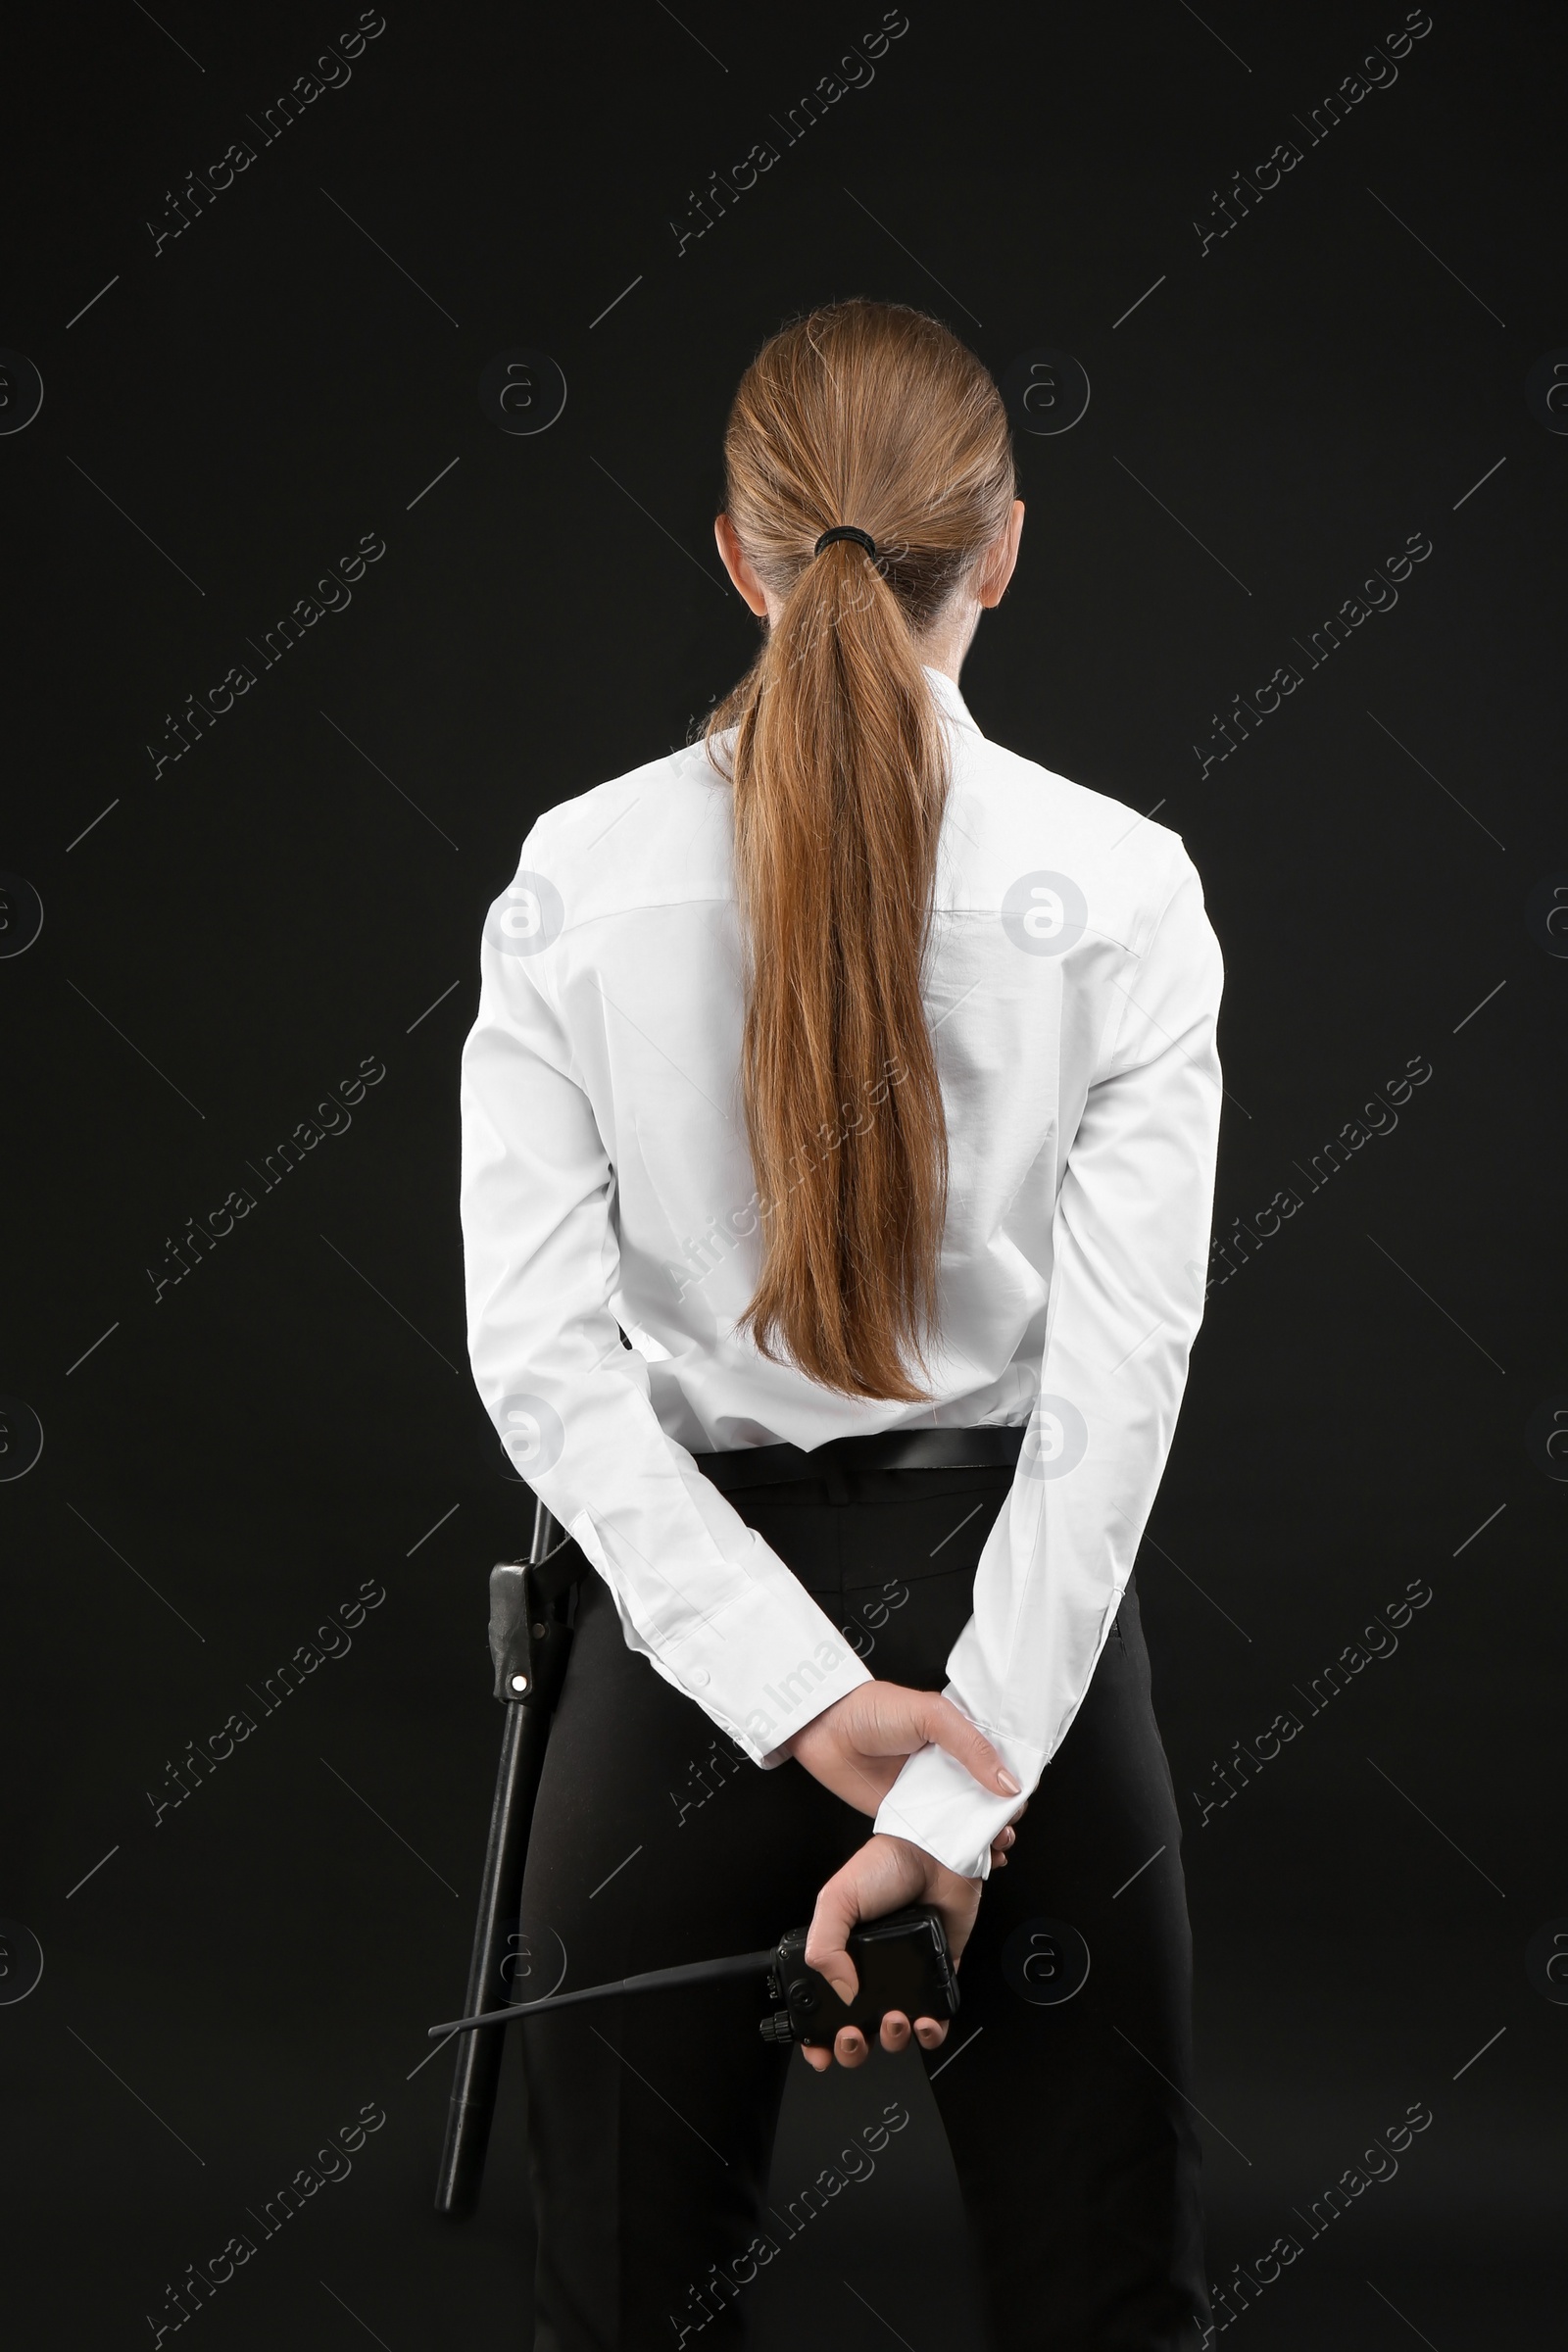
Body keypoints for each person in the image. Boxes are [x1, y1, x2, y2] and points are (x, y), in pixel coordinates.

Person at [460, 298, 1223, 2350]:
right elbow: (1118, 1391)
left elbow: (541, 1364)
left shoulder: (571, 878)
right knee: (1103, 2315)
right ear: (999, 546)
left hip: (678, 1664)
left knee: (625, 2315)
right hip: (1028, 1671)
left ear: (734, 552)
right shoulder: (1126, 887)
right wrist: (958, 1795)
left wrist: (798, 1708)